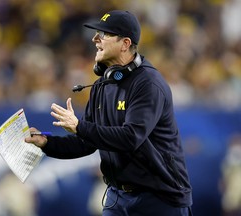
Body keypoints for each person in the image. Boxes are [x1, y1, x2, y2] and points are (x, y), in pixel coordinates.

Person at [25, 10, 193, 216]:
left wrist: (79, 126)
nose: (96, 39)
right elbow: (87, 142)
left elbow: (131, 137)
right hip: (117, 198)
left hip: (159, 198)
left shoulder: (148, 84)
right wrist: (46, 143)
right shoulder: (102, 86)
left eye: (104, 34)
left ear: (125, 43)